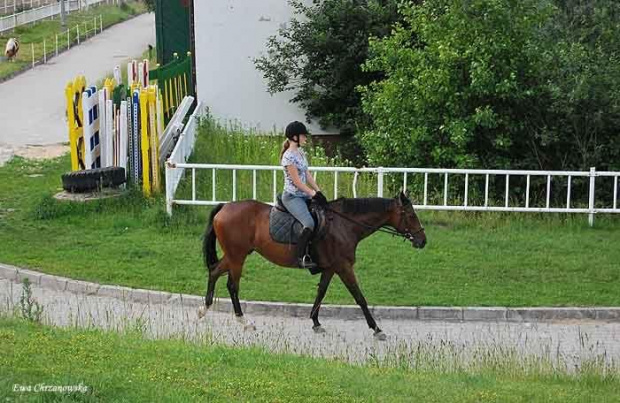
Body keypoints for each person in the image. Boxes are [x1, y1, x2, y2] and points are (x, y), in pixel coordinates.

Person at [280, 121, 328, 269]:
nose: (305, 138)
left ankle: (318, 252)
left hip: (304, 194)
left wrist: (318, 191)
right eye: (303, 135)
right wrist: (312, 193)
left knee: (323, 215)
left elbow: (307, 175)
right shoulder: (288, 157)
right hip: (292, 196)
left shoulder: (300, 153)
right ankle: (300, 257)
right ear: (294, 137)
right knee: (309, 223)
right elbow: (296, 182)